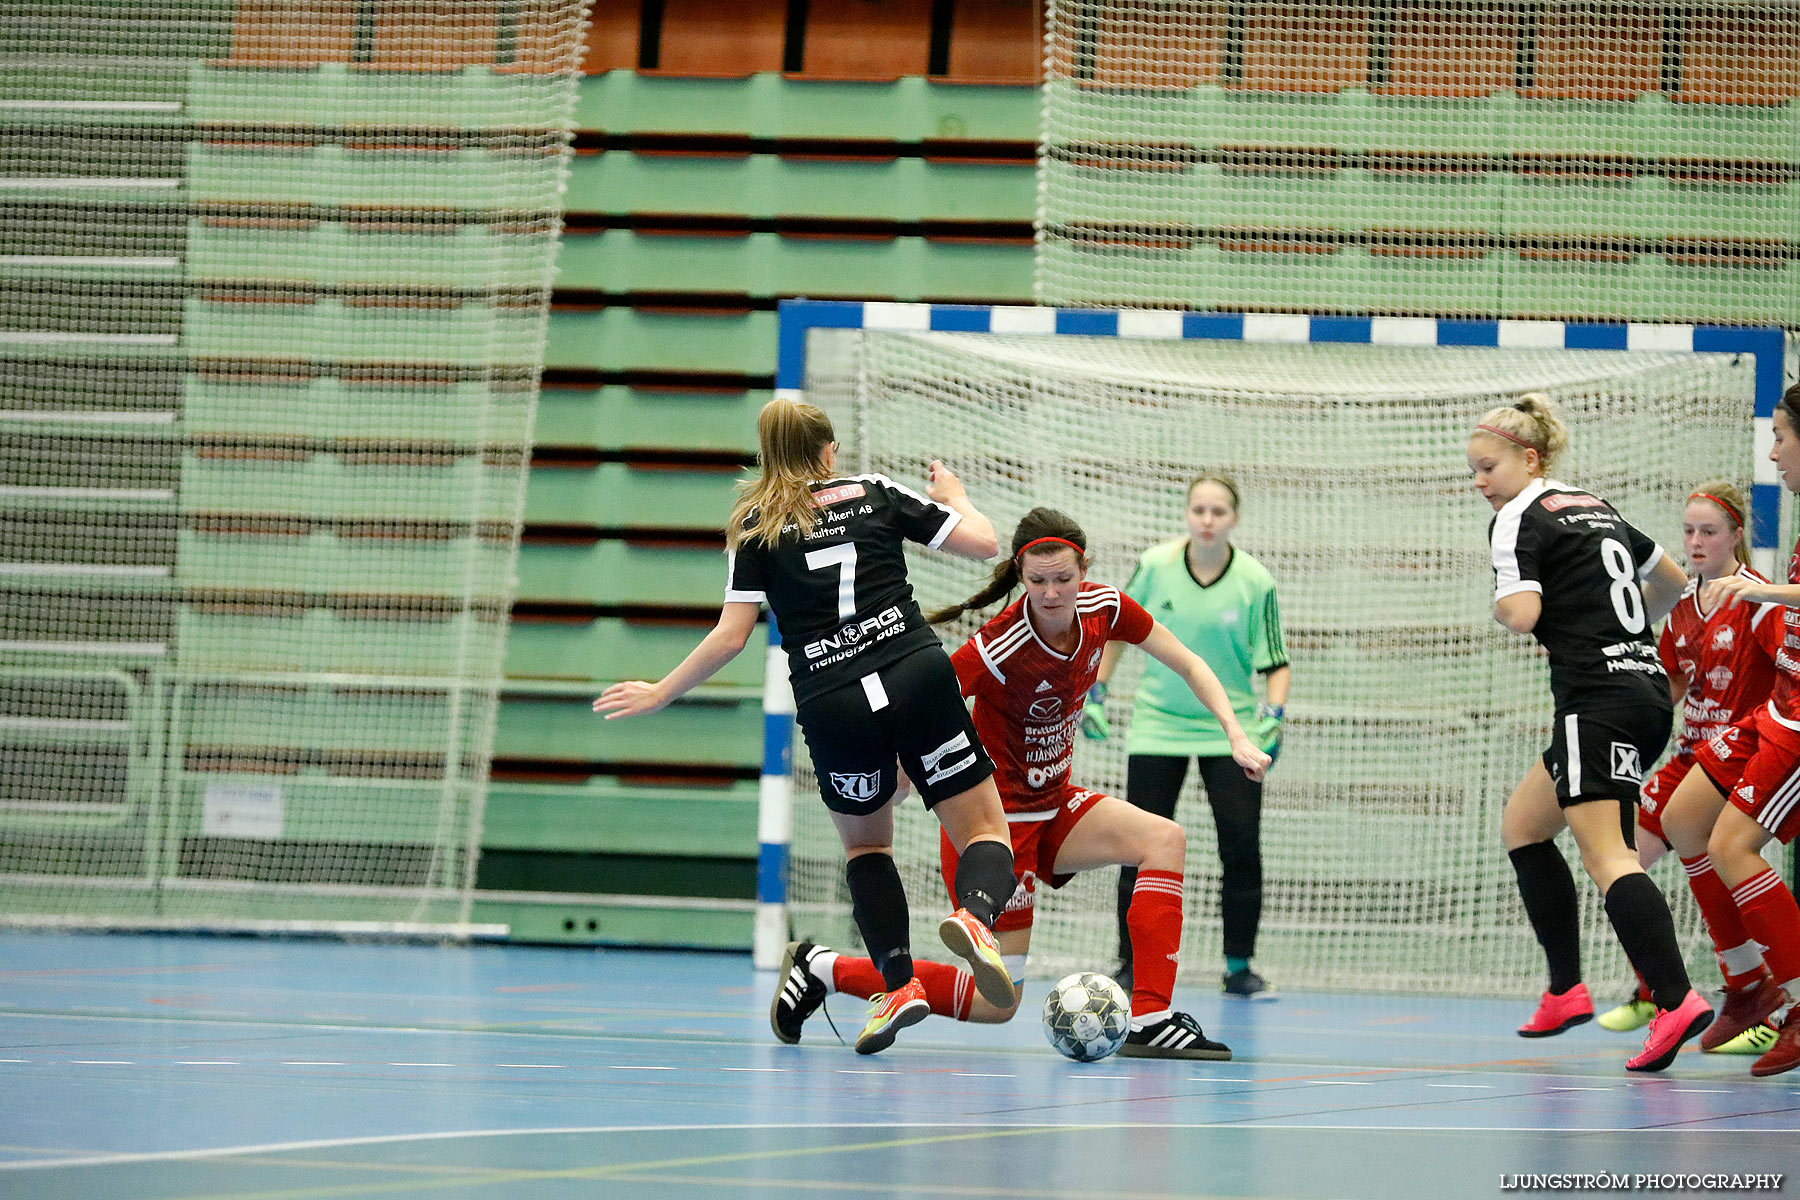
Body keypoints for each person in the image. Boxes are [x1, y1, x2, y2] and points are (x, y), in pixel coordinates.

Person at [595, 397, 1019, 1056]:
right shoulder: (874, 492)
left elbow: (731, 637)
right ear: (828, 453)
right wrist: (957, 497)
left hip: (832, 699)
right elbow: (985, 544)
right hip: (914, 670)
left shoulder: (755, 524)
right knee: (986, 830)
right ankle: (976, 914)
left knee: (867, 850)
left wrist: (661, 691)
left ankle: (900, 984)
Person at [769, 508, 1270, 1059]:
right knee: (996, 1005)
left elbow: (1191, 663)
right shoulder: (1000, 644)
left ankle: (1150, 1017)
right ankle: (822, 967)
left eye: (1064, 579)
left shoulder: (1106, 608)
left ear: (1084, 571)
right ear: (1019, 575)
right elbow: (924, 707)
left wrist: (1235, 734)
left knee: (1163, 840)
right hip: (995, 831)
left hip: (1054, 805)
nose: (1052, 593)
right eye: (1038, 581)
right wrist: (904, 774)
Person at [1470, 392, 1712, 1073]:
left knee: (1610, 856)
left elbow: (1520, 614)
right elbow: (1667, 581)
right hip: (1644, 691)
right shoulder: (1592, 504)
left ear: (1529, 457)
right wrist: (1625, 633)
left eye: (1489, 467)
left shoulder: (1517, 519)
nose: (1480, 483)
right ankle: (1565, 988)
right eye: (1475, 472)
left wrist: (1506, 604)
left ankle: (1675, 1000)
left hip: (1595, 701)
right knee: (1524, 825)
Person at [1593, 481, 1783, 1058]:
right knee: (1622, 860)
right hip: (1690, 754)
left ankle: (1753, 987)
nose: (1696, 543)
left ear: (1736, 537)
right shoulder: (1681, 606)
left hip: (1742, 751)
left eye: (1709, 532)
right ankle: (1661, 993)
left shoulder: (1754, 598)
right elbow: (1673, 682)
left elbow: (1786, 675)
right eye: (1689, 532)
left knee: (1721, 854)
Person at [1091, 474, 1289, 998]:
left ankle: (1239, 966)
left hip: (1231, 731)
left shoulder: (1256, 581)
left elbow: (1276, 662)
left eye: (1218, 511)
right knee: (1139, 846)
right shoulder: (1154, 567)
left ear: (1234, 519)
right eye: (1198, 509)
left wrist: (1275, 714)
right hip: (1158, 727)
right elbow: (1117, 629)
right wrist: (1097, 690)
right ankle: (1130, 963)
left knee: (1241, 845)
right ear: (1186, 513)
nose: (1207, 520)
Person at [1696, 383, 1800, 1077]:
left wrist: (1762, 590)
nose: (1774, 452)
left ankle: (1789, 995)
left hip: (1796, 716)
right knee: (1682, 821)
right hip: (1780, 709)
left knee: (1733, 847)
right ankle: (1746, 983)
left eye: (1782, 438)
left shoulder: (1756, 586)